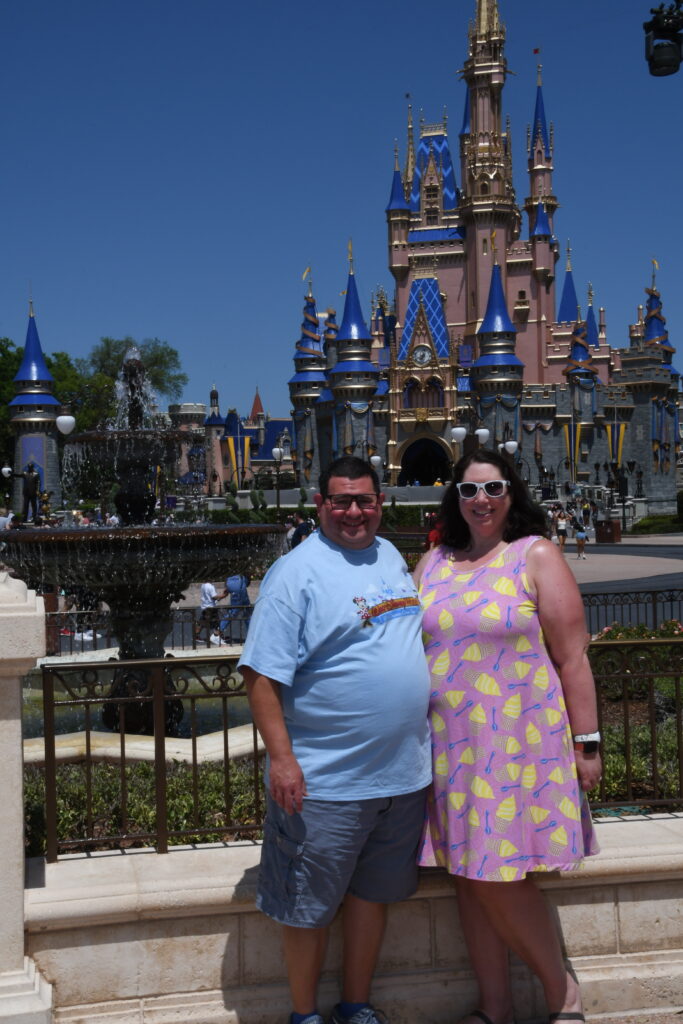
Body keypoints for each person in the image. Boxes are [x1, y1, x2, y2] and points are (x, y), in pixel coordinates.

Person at [239, 455, 431, 1024]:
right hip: (326, 782)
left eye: (365, 501)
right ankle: (305, 1015)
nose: (354, 512)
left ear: (380, 503)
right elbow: (260, 678)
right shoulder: (295, 574)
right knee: (307, 908)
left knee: (372, 898)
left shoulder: (391, 555)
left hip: (401, 776)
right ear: (321, 505)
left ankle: (356, 1005)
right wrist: (282, 759)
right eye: (341, 501)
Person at [414, 448, 601, 1024]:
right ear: (456, 499)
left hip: (519, 743)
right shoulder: (434, 562)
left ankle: (563, 996)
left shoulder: (535, 555)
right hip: (449, 748)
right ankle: (495, 1009)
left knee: (499, 879)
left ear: (512, 492)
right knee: (469, 880)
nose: (481, 501)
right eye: (469, 492)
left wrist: (587, 742)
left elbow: (572, 658)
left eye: (492, 488)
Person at [219, 573, 252, 642]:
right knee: (244, 612)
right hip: (239, 590)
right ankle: (218, 632)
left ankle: (219, 631)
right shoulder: (243, 581)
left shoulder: (237, 578)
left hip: (234, 589)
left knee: (236, 612)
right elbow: (244, 594)